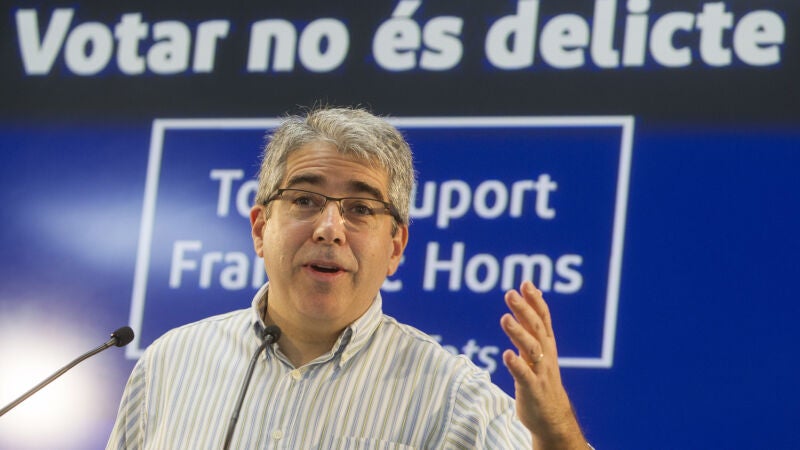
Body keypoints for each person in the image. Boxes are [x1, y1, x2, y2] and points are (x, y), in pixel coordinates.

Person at [107, 106, 591, 449]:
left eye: (360, 208)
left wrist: (557, 435)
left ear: (395, 247)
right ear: (260, 228)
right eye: (305, 200)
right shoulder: (171, 363)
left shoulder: (453, 395)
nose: (329, 228)